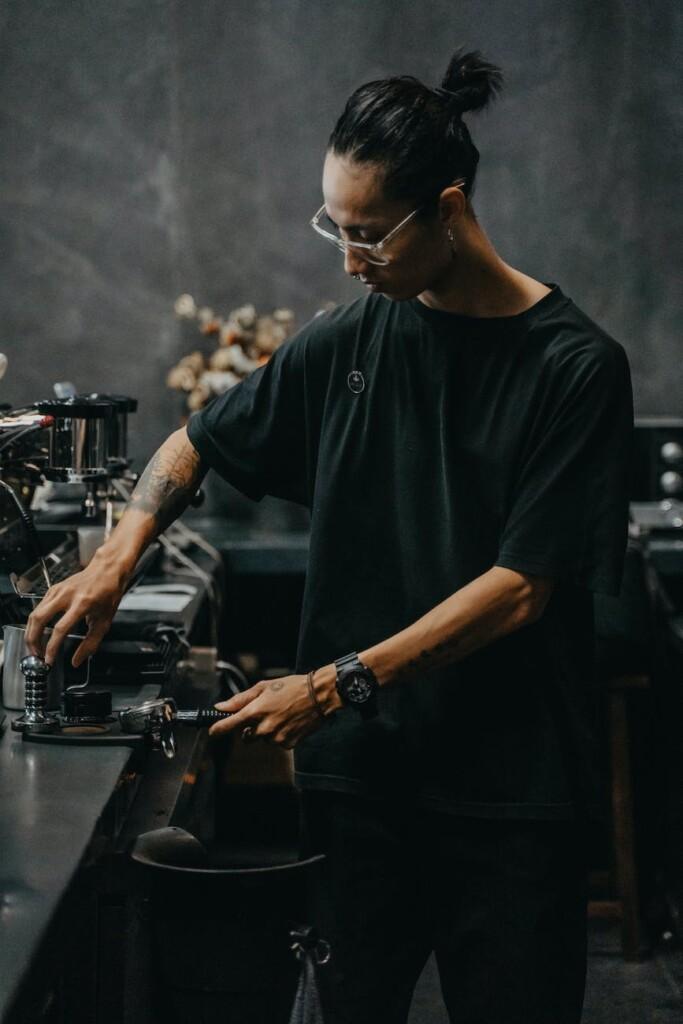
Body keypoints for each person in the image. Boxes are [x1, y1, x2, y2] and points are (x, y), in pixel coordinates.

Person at [27, 50, 633, 1024]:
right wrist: (113, 558)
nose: (347, 261)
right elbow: (196, 440)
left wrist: (332, 683)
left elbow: (521, 584)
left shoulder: (573, 368)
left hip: (511, 798)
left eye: (367, 236)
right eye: (333, 229)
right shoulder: (345, 340)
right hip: (362, 792)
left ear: (447, 207)